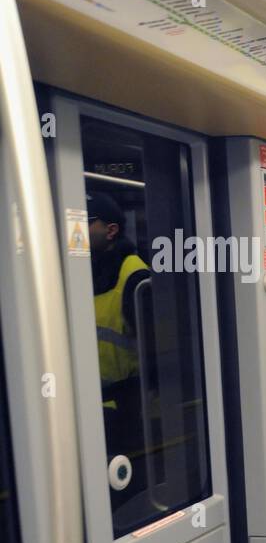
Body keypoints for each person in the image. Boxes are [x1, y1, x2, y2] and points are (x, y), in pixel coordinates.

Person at [87, 191, 150, 497]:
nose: (79, 230)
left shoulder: (135, 275)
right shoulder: (85, 271)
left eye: (87, 222)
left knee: (126, 488)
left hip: (125, 403)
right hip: (93, 400)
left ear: (111, 230)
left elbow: (153, 344)